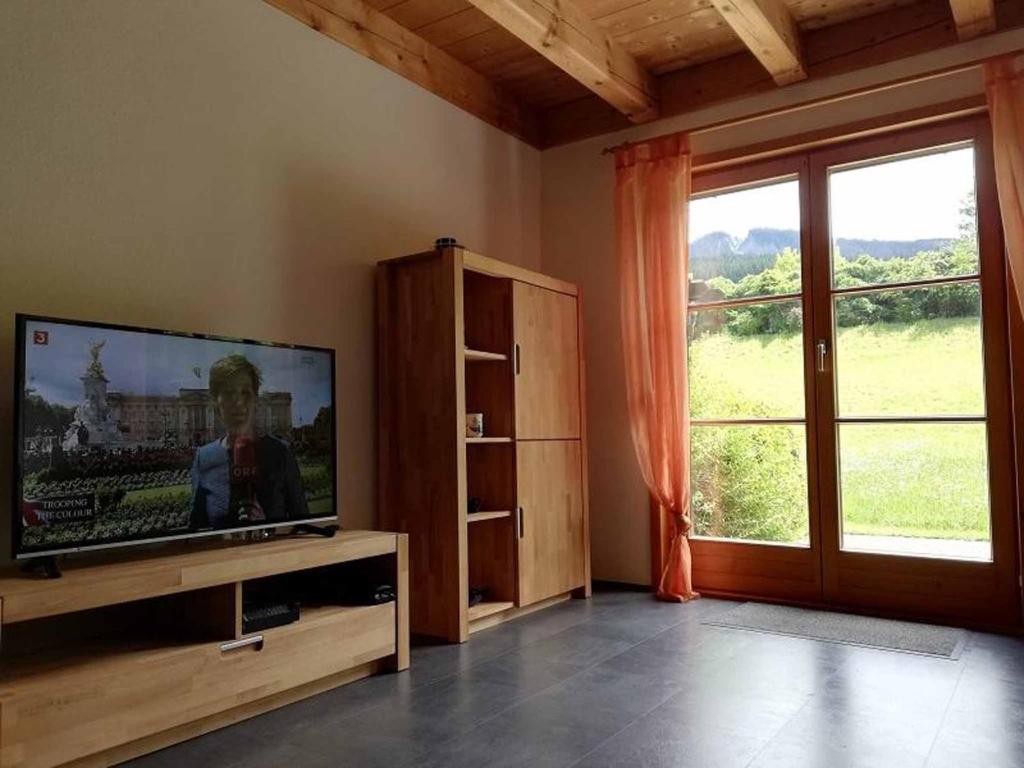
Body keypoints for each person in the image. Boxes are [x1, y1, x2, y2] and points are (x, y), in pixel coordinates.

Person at [189, 354, 307, 529]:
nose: (238, 402)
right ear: (216, 403)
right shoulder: (204, 458)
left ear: (255, 401)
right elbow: (195, 530)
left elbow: (304, 526)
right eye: (229, 393)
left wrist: (267, 528)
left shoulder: (280, 452)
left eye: (245, 393)